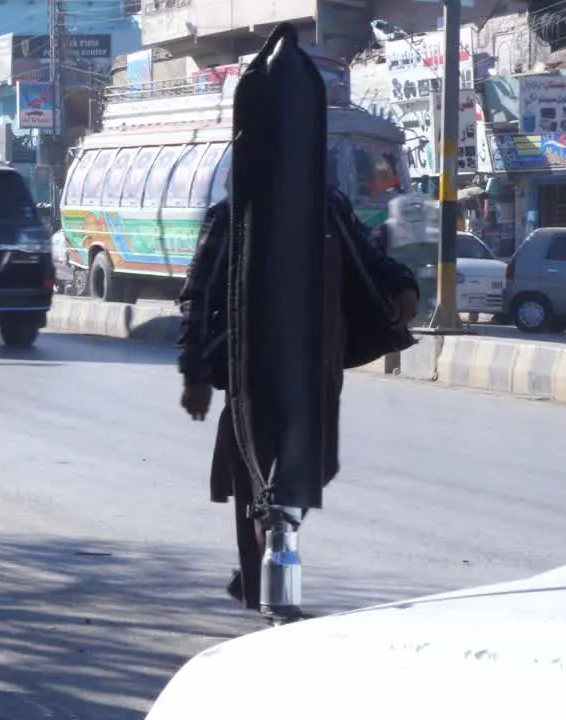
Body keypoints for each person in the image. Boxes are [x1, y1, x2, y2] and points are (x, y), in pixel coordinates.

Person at [177, 186, 420, 612]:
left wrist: (403, 285)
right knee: (262, 482)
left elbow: (371, 259)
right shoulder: (229, 217)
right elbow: (198, 294)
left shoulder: (330, 208)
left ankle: (261, 571)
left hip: (319, 367)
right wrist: (194, 374)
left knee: (316, 468)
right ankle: (274, 591)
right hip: (253, 370)